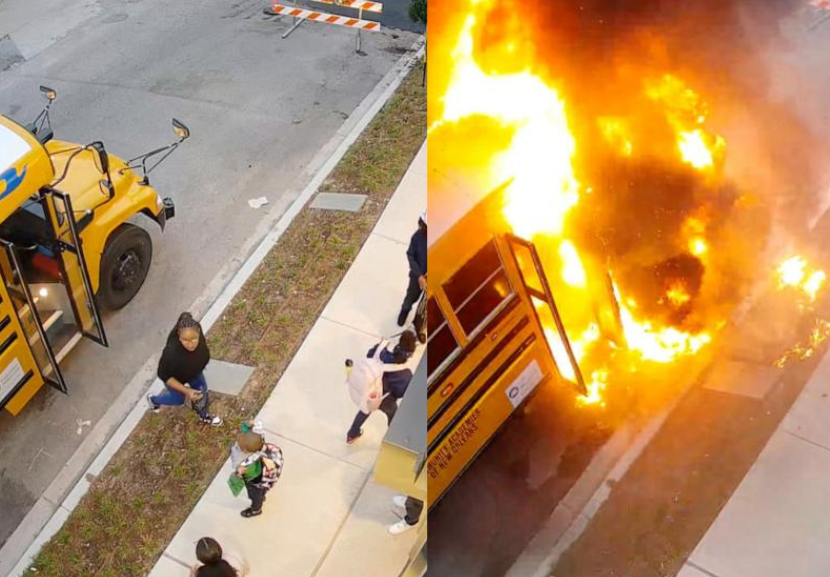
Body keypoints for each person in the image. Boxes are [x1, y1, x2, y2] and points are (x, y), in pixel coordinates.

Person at [147, 312, 222, 426]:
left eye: (193, 339)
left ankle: (204, 415)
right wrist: (186, 391)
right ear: (179, 337)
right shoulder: (170, 353)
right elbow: (164, 375)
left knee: (202, 392)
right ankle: (154, 400)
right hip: (176, 378)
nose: (190, 344)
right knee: (178, 400)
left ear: (198, 331)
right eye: (185, 340)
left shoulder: (197, 329)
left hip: (194, 372)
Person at [346, 330, 417, 444]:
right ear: (410, 353)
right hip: (383, 397)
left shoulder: (380, 349)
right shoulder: (405, 374)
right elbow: (399, 393)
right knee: (393, 414)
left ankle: (352, 434)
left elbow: (369, 354)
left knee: (365, 410)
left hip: (366, 388)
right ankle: (394, 438)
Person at [229, 420, 284, 518]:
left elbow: (243, 473)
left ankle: (256, 509)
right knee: (262, 491)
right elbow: (253, 428)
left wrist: (239, 472)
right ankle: (262, 495)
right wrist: (247, 424)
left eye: (240, 444)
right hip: (265, 476)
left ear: (246, 451)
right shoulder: (259, 439)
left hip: (255, 480)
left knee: (255, 495)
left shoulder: (249, 462)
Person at [397, 211, 427, 327]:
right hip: (417, 278)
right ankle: (404, 311)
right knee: (411, 297)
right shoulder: (417, 237)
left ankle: (420, 324)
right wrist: (419, 276)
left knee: (425, 306)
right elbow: (410, 255)